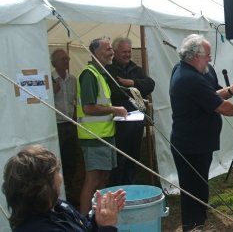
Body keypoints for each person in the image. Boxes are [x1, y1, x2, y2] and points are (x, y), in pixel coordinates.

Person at [169, 34, 233, 231]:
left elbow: (212, 94)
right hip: (189, 142)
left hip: (202, 141)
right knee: (191, 186)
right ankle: (192, 225)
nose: (210, 59)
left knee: (200, 181)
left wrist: (232, 89)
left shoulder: (202, 71)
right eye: (207, 55)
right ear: (194, 56)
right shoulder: (186, 77)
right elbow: (220, 106)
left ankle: (201, 218)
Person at [2, 144, 126, 232]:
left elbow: (85, 228)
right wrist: (107, 227)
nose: (61, 178)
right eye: (57, 172)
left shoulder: (59, 207)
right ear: (44, 185)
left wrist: (98, 220)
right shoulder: (38, 227)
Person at [77, 37, 128, 216]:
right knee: (92, 180)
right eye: (107, 49)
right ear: (95, 52)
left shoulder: (101, 74)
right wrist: (115, 110)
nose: (111, 52)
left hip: (105, 135)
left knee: (103, 179)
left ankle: (96, 216)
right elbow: (88, 108)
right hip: (93, 137)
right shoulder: (89, 74)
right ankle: (83, 220)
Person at [106, 37, 155, 186]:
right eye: (124, 52)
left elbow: (150, 84)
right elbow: (115, 92)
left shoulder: (135, 69)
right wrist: (136, 90)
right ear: (115, 52)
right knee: (120, 157)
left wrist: (133, 83)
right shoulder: (109, 69)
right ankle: (119, 187)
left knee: (134, 156)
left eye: (129, 51)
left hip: (137, 122)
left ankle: (131, 184)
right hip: (119, 123)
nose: (127, 55)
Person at [50, 48, 83, 207]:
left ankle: (68, 192)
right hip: (56, 125)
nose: (67, 61)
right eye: (63, 59)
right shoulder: (48, 80)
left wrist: (75, 119)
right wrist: (51, 92)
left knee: (71, 160)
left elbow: (75, 102)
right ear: (54, 63)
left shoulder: (73, 80)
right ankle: (56, 194)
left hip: (70, 125)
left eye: (68, 59)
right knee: (57, 159)